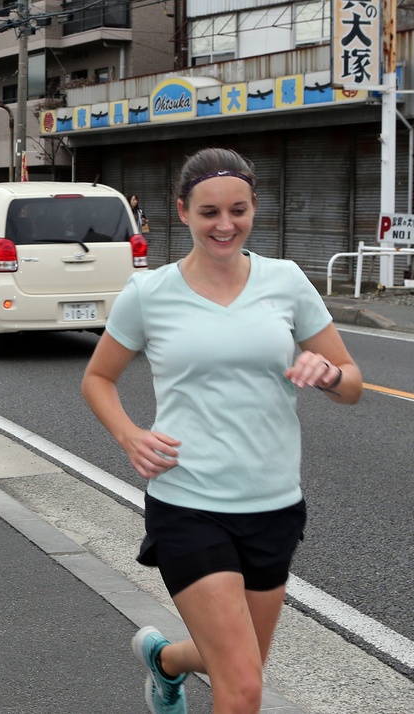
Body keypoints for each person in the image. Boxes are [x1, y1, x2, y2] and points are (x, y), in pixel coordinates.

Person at [81, 147, 363, 714]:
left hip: (274, 504)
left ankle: (165, 663)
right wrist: (129, 435)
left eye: (238, 210)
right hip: (188, 502)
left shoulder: (286, 281)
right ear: (183, 212)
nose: (225, 225)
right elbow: (97, 379)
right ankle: (173, 666)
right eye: (209, 212)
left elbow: (353, 383)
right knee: (243, 689)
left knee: (237, 664)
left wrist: (328, 373)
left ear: (254, 207)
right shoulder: (150, 293)